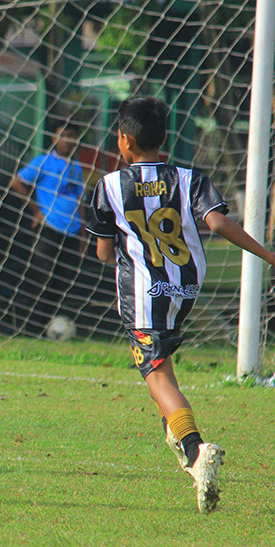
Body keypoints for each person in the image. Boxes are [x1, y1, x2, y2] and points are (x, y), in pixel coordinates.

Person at [88, 96, 275, 514]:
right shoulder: (190, 178)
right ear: (165, 138)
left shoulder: (109, 187)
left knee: (157, 379)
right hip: (184, 290)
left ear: (123, 141)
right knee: (162, 368)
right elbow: (220, 223)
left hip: (142, 295)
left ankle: (195, 450)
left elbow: (103, 253)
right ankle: (178, 439)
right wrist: (270, 257)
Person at [10, 121, 88, 335]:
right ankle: (30, 328)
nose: (67, 140)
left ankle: (49, 328)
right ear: (54, 138)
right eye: (63, 135)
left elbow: (80, 199)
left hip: (71, 231)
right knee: (42, 279)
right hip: (49, 229)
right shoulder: (43, 162)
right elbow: (16, 182)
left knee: (61, 282)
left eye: (72, 135)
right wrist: (36, 210)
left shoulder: (76, 167)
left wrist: (83, 235)